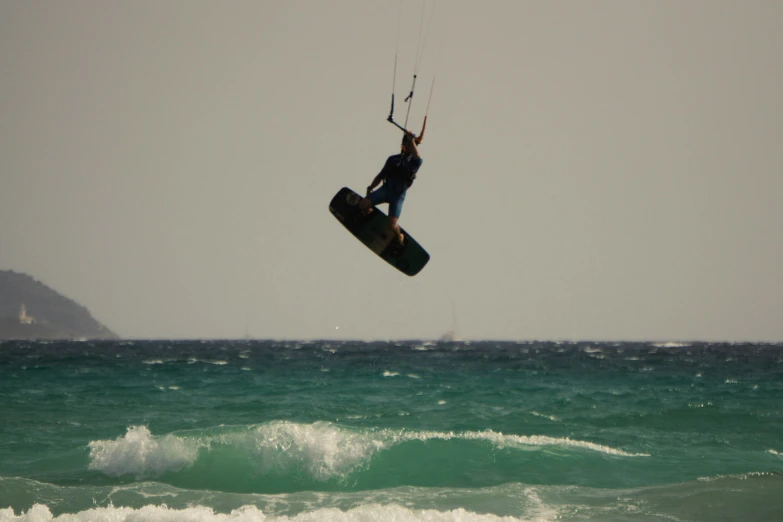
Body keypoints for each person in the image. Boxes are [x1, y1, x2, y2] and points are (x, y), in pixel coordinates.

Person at [359, 130, 423, 245]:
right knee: (363, 204)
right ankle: (369, 212)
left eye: (408, 145)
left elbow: (417, 156)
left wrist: (411, 140)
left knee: (392, 226)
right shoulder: (393, 159)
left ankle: (399, 235)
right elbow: (380, 176)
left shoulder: (415, 162)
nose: (405, 147)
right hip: (386, 190)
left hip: (397, 197)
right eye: (404, 144)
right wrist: (370, 187)